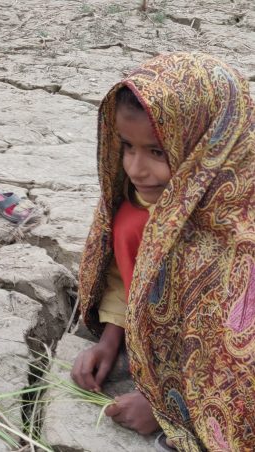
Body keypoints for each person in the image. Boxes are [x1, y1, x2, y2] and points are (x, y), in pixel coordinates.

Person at [72, 52, 255, 450]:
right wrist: (110, 340)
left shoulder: (239, 238)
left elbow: (237, 362)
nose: (137, 170)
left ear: (210, 148)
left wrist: (166, 407)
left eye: (158, 152)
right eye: (128, 147)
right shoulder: (137, 212)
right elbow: (127, 279)